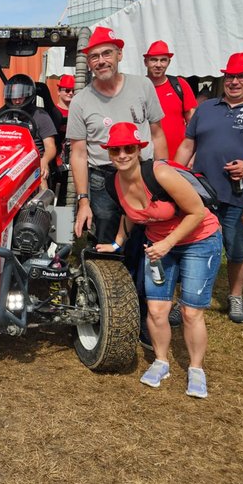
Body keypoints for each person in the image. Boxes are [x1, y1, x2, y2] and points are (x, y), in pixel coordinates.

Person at [97, 122, 221, 398]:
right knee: (155, 310)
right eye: (115, 150)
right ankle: (161, 361)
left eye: (129, 148)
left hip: (199, 240)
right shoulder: (113, 182)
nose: (122, 155)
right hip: (159, 246)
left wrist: (167, 243)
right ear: (109, 153)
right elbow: (129, 213)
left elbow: (197, 212)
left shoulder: (160, 173)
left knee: (190, 312)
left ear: (139, 149)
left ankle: (196, 369)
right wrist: (117, 243)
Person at [66, 27, 167, 349]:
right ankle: (108, 312)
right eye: (94, 56)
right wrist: (83, 201)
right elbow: (78, 153)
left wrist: (163, 177)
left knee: (147, 243)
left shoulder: (142, 86)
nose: (101, 61)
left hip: (142, 173)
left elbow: (158, 133)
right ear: (88, 63)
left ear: (119, 54)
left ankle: (146, 313)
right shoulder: (81, 101)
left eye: (107, 53)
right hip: (103, 179)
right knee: (108, 244)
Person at [174, 52, 243, 324]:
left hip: (240, 194)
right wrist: (173, 175)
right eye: (230, 76)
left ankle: (235, 295)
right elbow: (188, 144)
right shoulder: (207, 108)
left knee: (237, 249)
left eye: (242, 76)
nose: (234, 82)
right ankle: (187, 297)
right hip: (201, 194)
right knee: (193, 245)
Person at [0, 74, 56, 186]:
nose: (17, 102)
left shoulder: (41, 116)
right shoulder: (3, 115)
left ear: (29, 96)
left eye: (20, 98)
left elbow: (50, 147)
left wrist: (44, 160)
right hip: (7, 160)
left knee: (41, 175)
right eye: (14, 98)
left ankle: (43, 197)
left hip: (33, 161)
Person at [143, 40, 198, 159]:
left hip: (179, 158)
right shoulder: (139, 87)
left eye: (163, 60)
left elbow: (193, 123)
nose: (158, 65)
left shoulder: (180, 85)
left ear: (169, 62)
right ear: (146, 62)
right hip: (147, 158)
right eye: (154, 60)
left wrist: (193, 154)